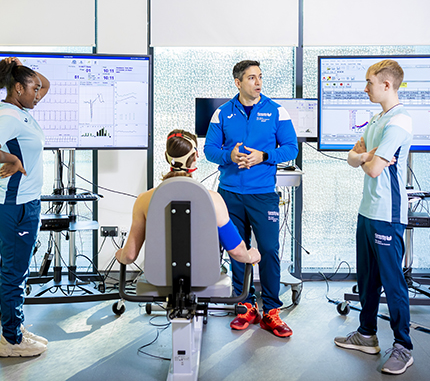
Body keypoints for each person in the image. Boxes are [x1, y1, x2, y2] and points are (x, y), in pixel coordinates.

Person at [204, 60, 298, 338]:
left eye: (260, 77)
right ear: (238, 82)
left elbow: (291, 148)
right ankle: (244, 304)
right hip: (230, 195)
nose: (258, 82)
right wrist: (228, 156)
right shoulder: (222, 113)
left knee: (268, 250)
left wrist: (264, 156)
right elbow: (209, 150)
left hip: (263, 194)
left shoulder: (275, 111)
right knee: (237, 251)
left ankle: (271, 310)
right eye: (251, 77)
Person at [333, 59, 414, 375]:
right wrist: (368, 154)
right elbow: (354, 157)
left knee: (393, 283)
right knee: (366, 280)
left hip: (387, 214)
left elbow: (373, 168)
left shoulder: (400, 122)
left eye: (369, 82)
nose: (364, 87)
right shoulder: (375, 120)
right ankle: (366, 335)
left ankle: (403, 347)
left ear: (386, 85)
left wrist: (366, 157)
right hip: (367, 210)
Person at [0, 57, 50, 358]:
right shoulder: (10, 116)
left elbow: (46, 83)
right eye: (32, 88)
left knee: (16, 269)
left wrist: (21, 67)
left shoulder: (19, 109)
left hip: (21, 203)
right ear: (17, 88)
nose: (38, 92)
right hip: (14, 205)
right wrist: (12, 160)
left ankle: (15, 329)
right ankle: (11, 341)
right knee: (14, 273)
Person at [115, 129, 261, 267]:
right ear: (195, 157)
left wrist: (120, 254)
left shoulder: (144, 199)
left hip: (158, 279)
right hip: (205, 278)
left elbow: (129, 256)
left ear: (167, 157)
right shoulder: (214, 200)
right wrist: (250, 255)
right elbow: (236, 251)